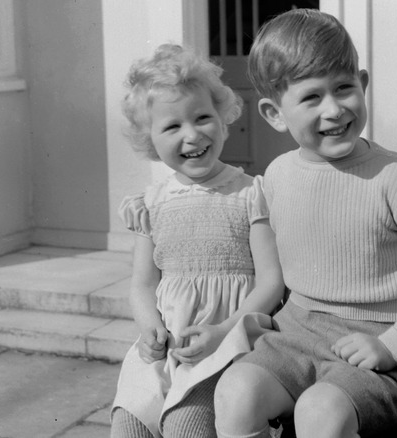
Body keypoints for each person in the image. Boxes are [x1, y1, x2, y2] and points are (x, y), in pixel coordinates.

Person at [213, 9, 397, 438]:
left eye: (343, 88)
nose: (334, 109)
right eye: (311, 97)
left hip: (382, 347)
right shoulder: (278, 175)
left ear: (364, 85)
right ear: (275, 113)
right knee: (234, 394)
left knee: (321, 413)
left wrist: (396, 346)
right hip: (296, 336)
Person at [110, 44, 284, 438]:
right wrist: (150, 327)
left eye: (203, 117)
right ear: (149, 140)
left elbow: (272, 282)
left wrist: (225, 331)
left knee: (185, 426)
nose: (192, 135)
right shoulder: (151, 203)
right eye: (172, 127)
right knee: (128, 427)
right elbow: (142, 283)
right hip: (167, 344)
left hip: (229, 340)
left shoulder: (250, 193)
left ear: (223, 120)